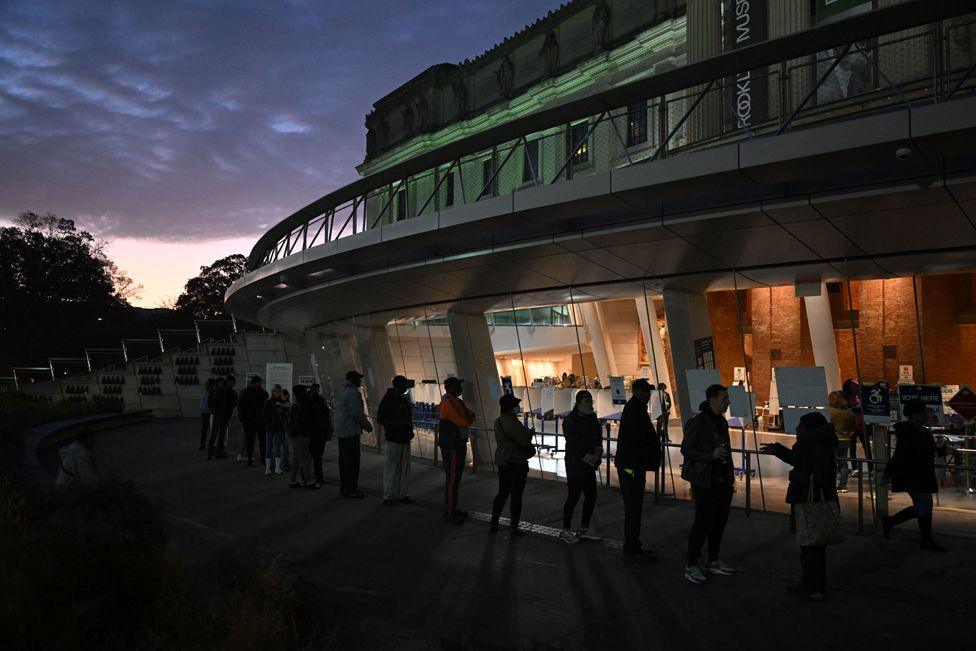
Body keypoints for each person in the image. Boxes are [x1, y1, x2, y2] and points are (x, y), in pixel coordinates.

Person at [762, 412, 840, 602]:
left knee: (813, 547)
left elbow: (820, 476)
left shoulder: (819, 447)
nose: (797, 428)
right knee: (807, 546)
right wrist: (778, 450)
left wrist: (796, 477)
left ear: (810, 429)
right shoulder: (810, 444)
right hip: (805, 499)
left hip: (812, 502)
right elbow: (799, 460)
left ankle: (816, 586)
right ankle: (808, 582)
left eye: (801, 425)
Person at [681, 384, 736, 584]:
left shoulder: (721, 422)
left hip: (722, 481)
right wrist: (709, 456)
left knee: (719, 523)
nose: (728, 401)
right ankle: (691, 564)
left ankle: (713, 559)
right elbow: (686, 449)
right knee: (702, 522)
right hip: (704, 481)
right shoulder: (697, 422)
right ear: (712, 399)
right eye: (724, 398)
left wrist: (730, 478)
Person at [882, 399, 947, 552]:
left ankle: (891, 522)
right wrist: (889, 472)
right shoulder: (908, 432)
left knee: (922, 507)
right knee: (925, 506)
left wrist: (943, 450)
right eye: (923, 413)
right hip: (913, 474)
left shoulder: (923, 431)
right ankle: (926, 540)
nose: (926, 415)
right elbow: (900, 454)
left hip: (922, 474)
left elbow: (930, 451)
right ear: (914, 415)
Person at [615, 378, 661, 562]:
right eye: (645, 391)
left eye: (649, 391)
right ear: (637, 392)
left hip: (632, 465)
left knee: (634, 505)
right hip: (630, 467)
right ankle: (632, 545)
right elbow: (639, 439)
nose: (648, 395)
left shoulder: (636, 408)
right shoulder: (635, 410)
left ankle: (633, 544)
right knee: (633, 505)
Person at [560, 390, 603, 543]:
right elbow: (574, 443)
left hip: (589, 465)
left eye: (590, 401)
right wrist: (591, 452)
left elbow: (598, 434)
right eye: (586, 402)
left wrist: (598, 448)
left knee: (591, 495)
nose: (590, 404)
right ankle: (565, 529)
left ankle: (584, 528)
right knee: (573, 496)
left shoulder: (592, 417)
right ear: (578, 403)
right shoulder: (570, 420)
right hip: (575, 465)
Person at [490, 393, 535, 535]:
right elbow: (523, 442)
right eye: (515, 405)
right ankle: (514, 528)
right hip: (516, 462)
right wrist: (529, 434)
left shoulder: (498, 421)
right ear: (510, 407)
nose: (518, 407)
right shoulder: (513, 422)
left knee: (502, 492)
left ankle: (494, 523)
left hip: (503, 462)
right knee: (516, 496)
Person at [438, 377, 476, 524]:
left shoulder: (457, 401)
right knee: (452, 478)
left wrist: (467, 417)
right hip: (452, 446)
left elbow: (470, 416)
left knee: (455, 478)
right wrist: (467, 417)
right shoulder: (448, 402)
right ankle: (449, 511)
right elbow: (465, 420)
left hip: (457, 444)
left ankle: (453, 507)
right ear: (451, 387)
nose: (461, 388)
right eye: (458, 385)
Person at [377, 375, 415, 505]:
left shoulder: (402, 400)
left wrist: (409, 430)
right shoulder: (388, 400)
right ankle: (389, 496)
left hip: (402, 438)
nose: (406, 387)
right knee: (392, 468)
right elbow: (380, 418)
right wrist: (399, 424)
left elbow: (408, 418)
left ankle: (403, 494)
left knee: (403, 468)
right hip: (394, 438)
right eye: (404, 385)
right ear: (398, 385)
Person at [334, 370, 372, 498]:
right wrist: (367, 426)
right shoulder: (352, 393)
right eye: (358, 378)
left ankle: (345, 488)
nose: (360, 381)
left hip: (343, 433)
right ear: (353, 379)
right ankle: (351, 489)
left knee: (344, 462)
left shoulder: (345, 392)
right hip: (350, 434)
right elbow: (357, 414)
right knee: (352, 463)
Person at [287, 385, 316, 489]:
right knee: (306, 459)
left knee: (296, 458)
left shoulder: (295, 405)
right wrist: (304, 433)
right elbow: (300, 422)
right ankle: (309, 482)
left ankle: (292, 480)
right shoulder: (302, 405)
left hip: (293, 435)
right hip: (300, 436)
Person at [239, 375, 269, 467]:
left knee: (256, 441)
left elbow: (241, 406)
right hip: (252, 421)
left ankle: (256, 459)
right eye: (258, 383)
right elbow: (241, 406)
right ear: (254, 383)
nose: (259, 384)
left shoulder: (248, 393)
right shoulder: (258, 393)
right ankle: (255, 459)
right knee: (253, 441)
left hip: (255, 421)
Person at [828, 391, 855, 493]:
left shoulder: (829, 412)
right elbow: (853, 428)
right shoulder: (849, 412)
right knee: (843, 463)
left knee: (832, 463)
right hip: (845, 440)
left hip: (832, 440)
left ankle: (832, 484)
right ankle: (843, 486)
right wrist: (848, 435)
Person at [307, 383, 334, 485]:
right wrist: (328, 430)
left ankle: (309, 477)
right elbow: (326, 416)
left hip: (312, 433)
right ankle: (318, 477)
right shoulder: (320, 401)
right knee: (317, 456)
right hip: (319, 433)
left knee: (312, 456)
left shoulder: (308, 401)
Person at [843, 379, 871, 476]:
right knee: (852, 447)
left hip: (861, 426)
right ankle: (855, 468)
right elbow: (849, 410)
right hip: (852, 426)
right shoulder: (846, 398)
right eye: (854, 386)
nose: (857, 387)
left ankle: (871, 468)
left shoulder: (859, 397)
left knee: (866, 447)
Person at [207, 376, 237, 459]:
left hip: (225, 415)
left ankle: (219, 452)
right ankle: (211, 453)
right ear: (228, 382)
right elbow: (213, 400)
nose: (234, 384)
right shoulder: (220, 390)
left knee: (221, 435)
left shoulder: (231, 391)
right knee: (215, 434)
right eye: (233, 382)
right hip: (219, 414)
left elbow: (234, 402)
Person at [262, 384, 288, 475]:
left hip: (278, 427)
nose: (278, 393)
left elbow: (286, 413)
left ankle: (277, 467)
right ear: (273, 392)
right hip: (271, 427)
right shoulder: (268, 402)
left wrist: (283, 418)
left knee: (277, 446)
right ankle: (268, 468)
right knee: (269, 446)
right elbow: (264, 415)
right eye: (277, 391)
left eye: (280, 391)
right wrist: (270, 422)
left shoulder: (282, 402)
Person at [198, 378, 215, 451]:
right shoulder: (205, 393)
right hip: (204, 414)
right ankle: (202, 445)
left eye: (208, 384)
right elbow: (202, 404)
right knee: (204, 430)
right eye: (206, 384)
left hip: (211, 414)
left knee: (212, 431)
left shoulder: (214, 394)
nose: (206, 386)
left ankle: (211, 446)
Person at [279, 389, 292, 472]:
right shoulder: (280, 405)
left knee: (285, 447)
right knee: (283, 447)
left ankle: (285, 463)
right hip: (282, 428)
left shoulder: (287, 405)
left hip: (286, 428)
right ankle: (283, 464)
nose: (286, 397)